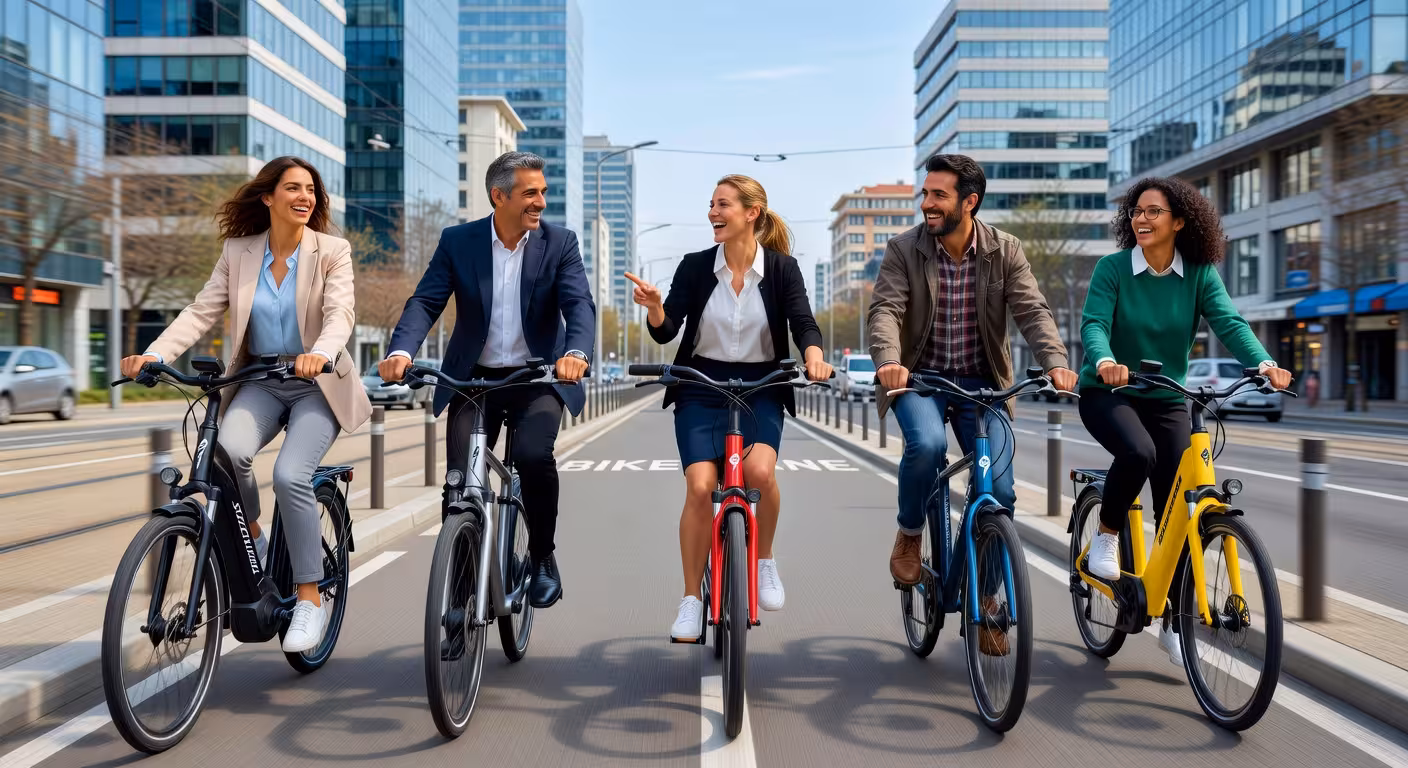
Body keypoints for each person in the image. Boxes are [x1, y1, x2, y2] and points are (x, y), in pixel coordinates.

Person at [120, 156, 371, 653]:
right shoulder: (239, 252)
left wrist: (319, 352)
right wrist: (153, 356)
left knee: (290, 475)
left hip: (316, 383)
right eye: (294, 188)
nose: (305, 197)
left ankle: (308, 599)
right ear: (268, 197)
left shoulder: (331, 251)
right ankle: (253, 531)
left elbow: (341, 313)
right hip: (259, 379)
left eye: (311, 190)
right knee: (226, 452)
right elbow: (201, 310)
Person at [868, 154, 1077, 655]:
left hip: (983, 386)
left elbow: (1032, 310)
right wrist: (889, 362)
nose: (927, 204)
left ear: (970, 201)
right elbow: (886, 310)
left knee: (999, 491)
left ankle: (986, 604)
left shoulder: (1005, 251)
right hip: (919, 379)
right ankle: (910, 533)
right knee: (927, 445)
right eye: (925, 194)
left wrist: (1057, 362)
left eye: (938, 195)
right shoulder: (905, 249)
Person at [1078, 176, 1291, 665]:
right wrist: (1105, 360)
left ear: (1179, 221)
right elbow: (1093, 324)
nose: (1142, 219)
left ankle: (1175, 617)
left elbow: (1230, 323)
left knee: (1180, 510)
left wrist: (1262, 364)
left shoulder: (1198, 273)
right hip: (1109, 391)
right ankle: (1106, 537)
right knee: (1138, 453)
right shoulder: (1112, 269)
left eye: (1153, 212)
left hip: (1167, 396)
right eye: (1136, 211)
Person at [378, 151, 592, 609]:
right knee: (460, 482)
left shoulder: (560, 243)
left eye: (543, 192)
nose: (540, 202)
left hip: (537, 377)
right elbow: (425, 301)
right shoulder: (459, 241)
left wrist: (576, 352)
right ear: (499, 196)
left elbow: (578, 305)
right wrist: (401, 350)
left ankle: (541, 558)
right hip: (473, 381)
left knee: (534, 456)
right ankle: (457, 595)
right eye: (530, 193)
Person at [626, 174, 832, 642]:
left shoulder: (782, 269)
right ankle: (690, 600)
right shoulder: (695, 267)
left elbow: (803, 322)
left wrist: (814, 356)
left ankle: (764, 561)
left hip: (761, 384)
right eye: (711, 205)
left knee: (759, 474)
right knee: (700, 486)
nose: (712, 213)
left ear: (751, 213)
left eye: (722, 205)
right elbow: (666, 331)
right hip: (700, 385)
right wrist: (656, 307)